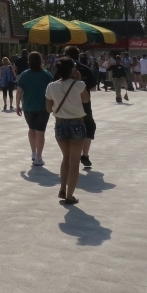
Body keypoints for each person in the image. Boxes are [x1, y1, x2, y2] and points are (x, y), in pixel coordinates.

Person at [45, 57, 91, 204]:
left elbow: (48, 108)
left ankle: (62, 189)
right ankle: (70, 196)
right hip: (77, 124)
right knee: (74, 162)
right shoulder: (79, 84)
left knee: (65, 157)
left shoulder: (51, 86)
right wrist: (79, 80)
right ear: (72, 70)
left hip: (59, 124)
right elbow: (86, 100)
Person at [16, 52, 55, 166]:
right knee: (40, 132)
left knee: (31, 129)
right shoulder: (46, 74)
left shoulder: (24, 74)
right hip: (43, 108)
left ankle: (33, 152)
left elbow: (19, 92)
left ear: (29, 62)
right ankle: (39, 157)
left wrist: (17, 105)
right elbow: (53, 90)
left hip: (28, 107)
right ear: (40, 61)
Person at [64, 45, 97, 168]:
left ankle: (69, 155)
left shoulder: (62, 70)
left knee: (67, 129)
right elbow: (93, 87)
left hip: (66, 104)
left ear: (67, 56)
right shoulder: (85, 69)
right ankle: (85, 155)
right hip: (84, 104)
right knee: (89, 127)